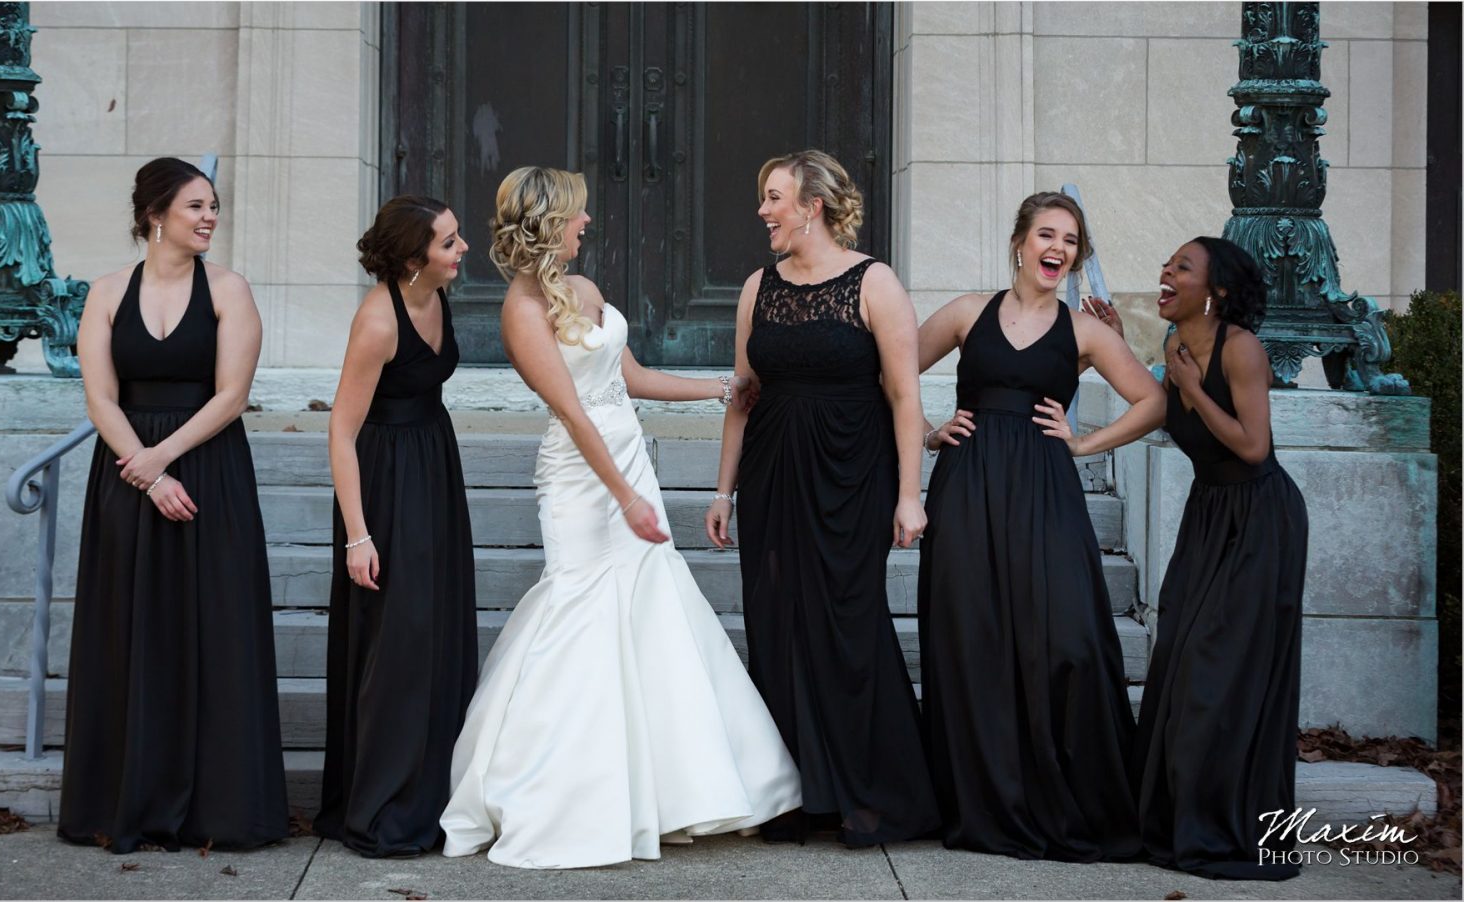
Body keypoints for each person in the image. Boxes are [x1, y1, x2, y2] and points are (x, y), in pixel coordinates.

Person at [439, 166, 801, 870]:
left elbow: (626, 376)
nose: (587, 224)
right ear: (549, 221)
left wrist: (720, 386)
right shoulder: (520, 309)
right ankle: (569, 795)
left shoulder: (584, 290)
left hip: (627, 455)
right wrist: (626, 498)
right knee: (580, 610)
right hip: (582, 478)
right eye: (577, 215)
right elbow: (573, 414)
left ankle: (666, 792)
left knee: (648, 612)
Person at [914, 191, 1164, 862]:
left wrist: (1086, 444)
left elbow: (1152, 399)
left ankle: (1060, 793)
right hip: (968, 486)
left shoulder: (1083, 330)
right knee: (973, 637)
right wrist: (928, 433)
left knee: (1070, 637)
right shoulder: (970, 311)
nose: (1059, 248)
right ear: (1020, 243)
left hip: (1046, 490)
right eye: (1047, 234)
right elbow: (890, 369)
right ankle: (981, 798)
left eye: (1071, 240)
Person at [707, 150, 939, 847]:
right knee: (776, 621)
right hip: (773, 475)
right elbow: (742, 397)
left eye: (773, 198)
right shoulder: (758, 287)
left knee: (848, 625)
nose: (762, 212)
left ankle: (871, 794)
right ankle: (794, 794)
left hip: (852, 478)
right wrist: (723, 489)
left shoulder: (876, 283)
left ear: (812, 206)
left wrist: (910, 496)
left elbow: (904, 396)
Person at [59, 157, 287, 853]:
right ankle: (125, 801)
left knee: (215, 629)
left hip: (209, 468)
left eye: (213, 206)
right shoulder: (103, 293)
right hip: (129, 479)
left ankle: (219, 811)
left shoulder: (230, 290)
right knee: (130, 630)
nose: (210, 217)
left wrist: (165, 459)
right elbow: (100, 396)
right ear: (156, 214)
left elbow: (231, 395)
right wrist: (148, 475)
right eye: (196, 206)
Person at [1113, 237, 1306, 880]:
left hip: (1259, 518)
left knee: (1218, 669)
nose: (1165, 273)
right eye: (1166, 263)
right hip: (1209, 517)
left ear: (1215, 291)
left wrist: (1195, 386)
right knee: (1178, 659)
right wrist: (1122, 350)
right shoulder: (1174, 349)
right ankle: (1176, 817)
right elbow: (1173, 418)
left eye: (1181, 267)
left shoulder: (1241, 348)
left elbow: (1253, 447)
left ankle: (1227, 823)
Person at [313, 196, 478, 858]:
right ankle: (382, 809)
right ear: (414, 258)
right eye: (449, 241)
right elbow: (341, 431)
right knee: (397, 647)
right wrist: (359, 534)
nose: (462, 248)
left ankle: (432, 798)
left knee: (436, 636)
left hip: (433, 468)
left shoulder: (437, 295)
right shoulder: (378, 321)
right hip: (382, 483)